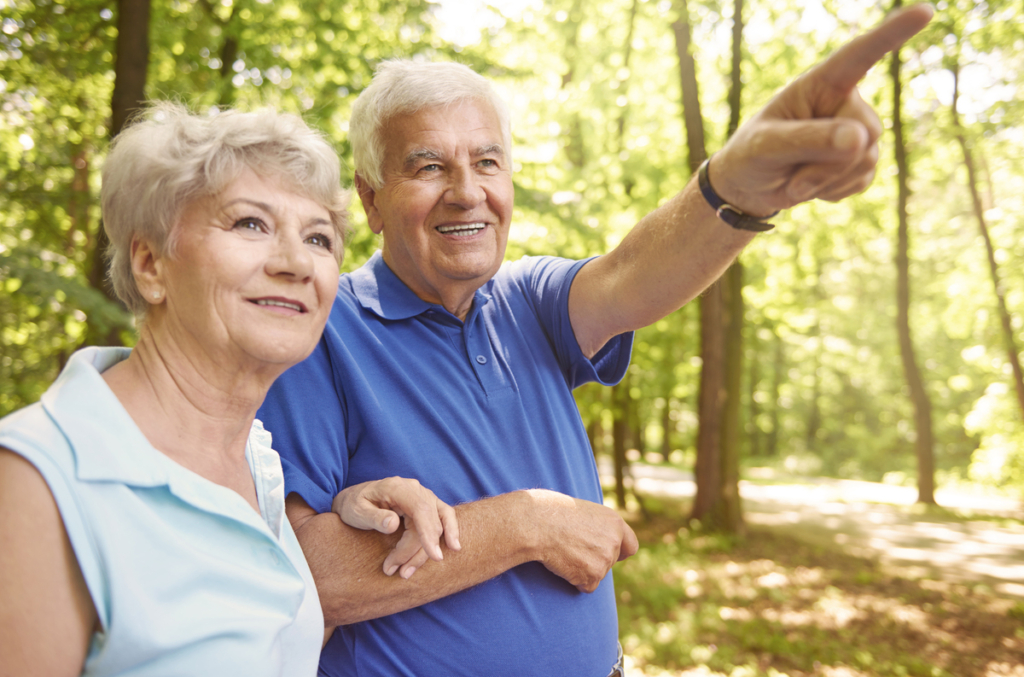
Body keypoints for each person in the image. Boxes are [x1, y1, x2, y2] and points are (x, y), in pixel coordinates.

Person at [257, 4, 935, 676]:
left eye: (487, 162)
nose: (467, 192)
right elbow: (304, 575)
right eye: (429, 167)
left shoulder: (526, 300)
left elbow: (633, 274)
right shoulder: (320, 329)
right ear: (371, 199)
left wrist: (740, 186)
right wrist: (527, 522)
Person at [0, 103, 460, 677]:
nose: (297, 262)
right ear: (150, 265)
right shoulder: (38, 477)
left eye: (318, 238)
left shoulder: (256, 460)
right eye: (250, 224)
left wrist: (346, 506)